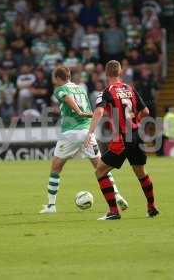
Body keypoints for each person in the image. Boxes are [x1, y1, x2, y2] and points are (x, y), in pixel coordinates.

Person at [40, 66, 128, 214]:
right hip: (87, 132)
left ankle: (51, 206)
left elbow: (66, 98)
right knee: (101, 167)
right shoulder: (81, 88)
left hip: (70, 133)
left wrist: (78, 111)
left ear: (57, 78)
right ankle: (117, 195)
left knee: (56, 167)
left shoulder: (59, 89)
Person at [84, 60, 159, 220]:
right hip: (137, 135)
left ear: (106, 73)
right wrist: (134, 119)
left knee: (100, 171)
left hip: (123, 138)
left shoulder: (106, 91)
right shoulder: (130, 89)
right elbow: (145, 111)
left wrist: (90, 133)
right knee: (141, 172)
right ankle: (152, 207)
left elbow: (98, 112)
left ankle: (113, 211)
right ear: (120, 72)